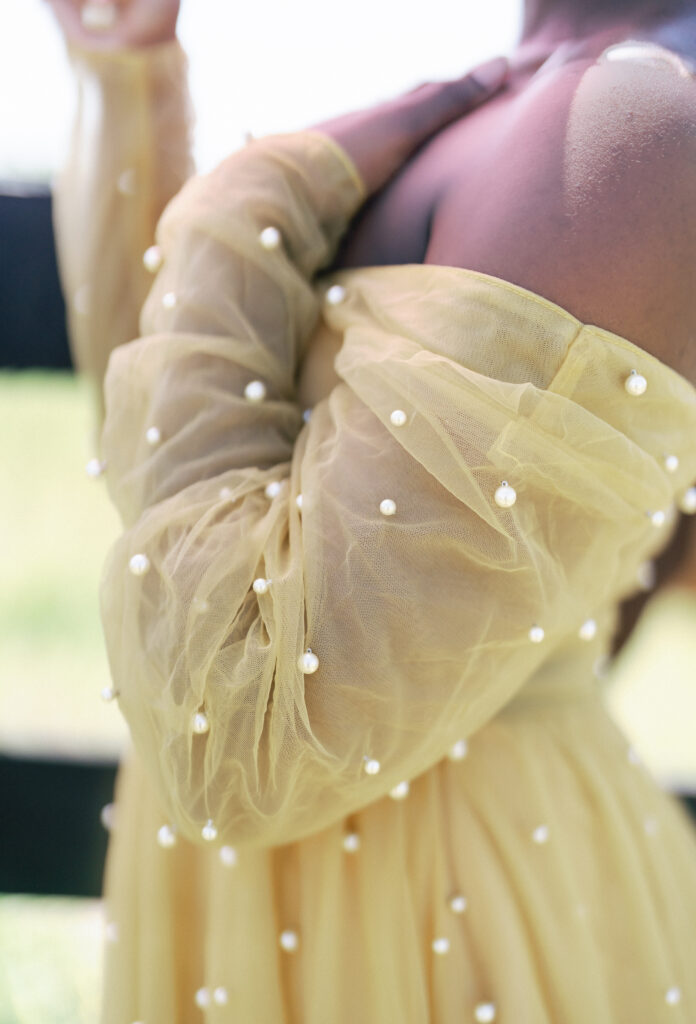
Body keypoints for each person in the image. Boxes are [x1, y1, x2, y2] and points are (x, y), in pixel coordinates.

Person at [47, 0, 696, 1020]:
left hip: (449, 914)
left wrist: (240, 214)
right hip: (240, 893)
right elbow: (159, 445)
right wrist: (132, 78)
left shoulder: (634, 127)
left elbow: (248, 746)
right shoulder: (538, 97)